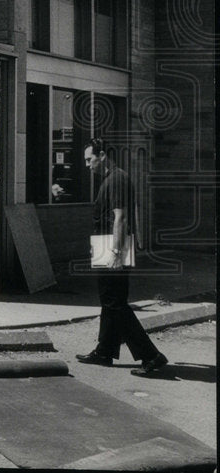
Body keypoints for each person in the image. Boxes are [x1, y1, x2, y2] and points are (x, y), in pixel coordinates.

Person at [75, 137, 168, 377]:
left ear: (102, 155)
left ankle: (151, 355)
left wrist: (115, 251)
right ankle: (105, 351)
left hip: (113, 246)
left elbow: (121, 218)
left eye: (89, 159)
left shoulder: (116, 179)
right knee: (110, 300)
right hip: (106, 244)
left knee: (115, 303)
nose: (87, 165)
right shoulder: (113, 178)